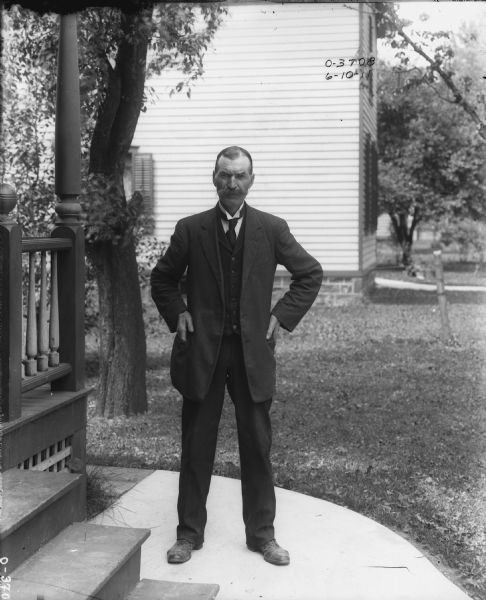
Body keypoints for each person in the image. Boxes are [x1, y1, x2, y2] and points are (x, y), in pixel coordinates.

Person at [150, 146, 323, 566]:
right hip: (202, 354)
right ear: (214, 177)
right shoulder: (191, 230)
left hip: (251, 355)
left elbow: (309, 273)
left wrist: (281, 317)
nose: (232, 183)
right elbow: (163, 279)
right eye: (225, 175)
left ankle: (263, 536)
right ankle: (188, 534)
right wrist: (180, 313)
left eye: (240, 176)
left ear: (251, 180)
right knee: (196, 446)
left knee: (257, 446)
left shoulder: (272, 228)